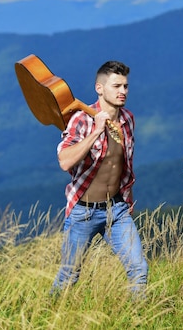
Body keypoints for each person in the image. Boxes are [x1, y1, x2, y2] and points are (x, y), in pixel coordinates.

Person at [51, 61, 148, 296]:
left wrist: (128, 196)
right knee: (69, 275)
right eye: (116, 86)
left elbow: (123, 164)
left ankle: (138, 319)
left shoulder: (127, 119)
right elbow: (64, 160)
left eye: (125, 86)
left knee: (138, 268)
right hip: (83, 211)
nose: (123, 91)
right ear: (99, 88)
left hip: (116, 209)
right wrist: (96, 131)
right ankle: (48, 315)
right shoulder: (82, 120)